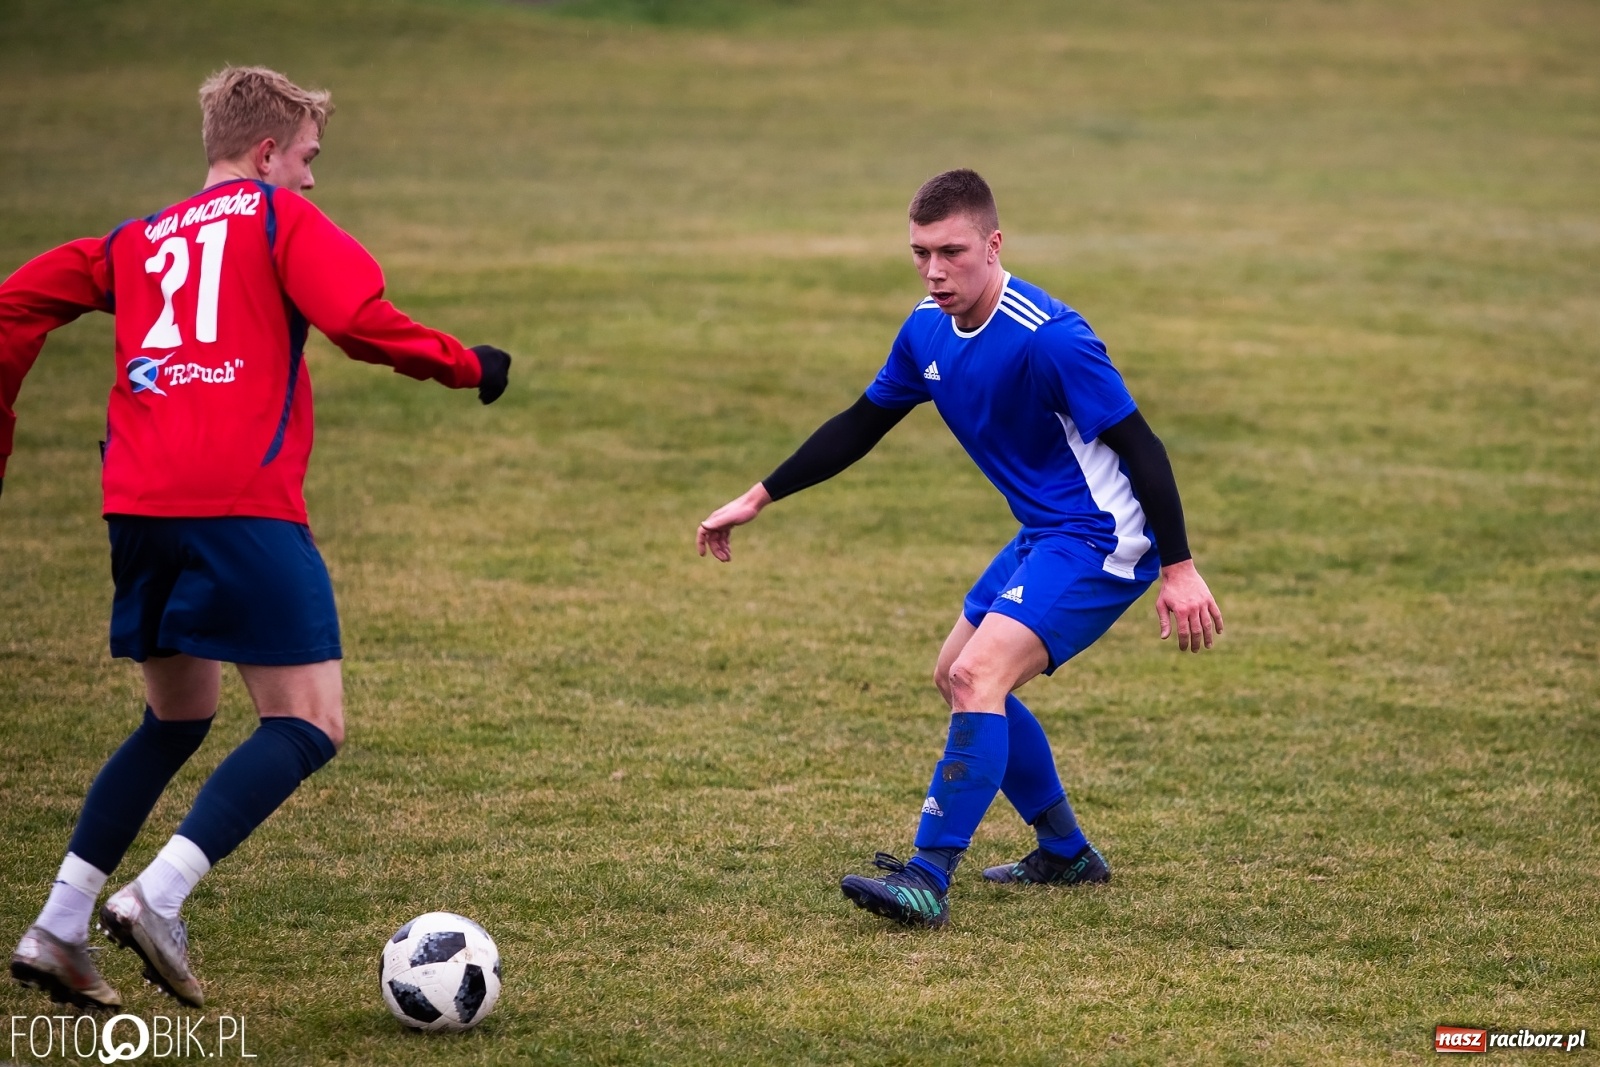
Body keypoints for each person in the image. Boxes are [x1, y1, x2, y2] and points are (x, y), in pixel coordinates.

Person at [2, 66, 512, 1008]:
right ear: (268, 151)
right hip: (239, 504)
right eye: (309, 158)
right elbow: (358, 321)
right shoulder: (278, 219)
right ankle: (157, 894)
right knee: (310, 720)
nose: (315, 181)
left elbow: (12, 306)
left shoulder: (132, 240)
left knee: (178, 717)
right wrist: (467, 363)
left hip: (139, 508)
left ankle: (58, 926)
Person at [696, 169, 1222, 929]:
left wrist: (1179, 566)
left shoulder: (1052, 338)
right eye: (920, 253)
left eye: (952, 251)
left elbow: (1141, 447)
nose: (935, 271)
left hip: (1105, 536)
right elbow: (864, 420)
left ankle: (927, 874)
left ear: (993, 244)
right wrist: (756, 497)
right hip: (1046, 530)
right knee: (955, 676)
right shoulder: (926, 326)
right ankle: (1067, 851)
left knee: (979, 672)